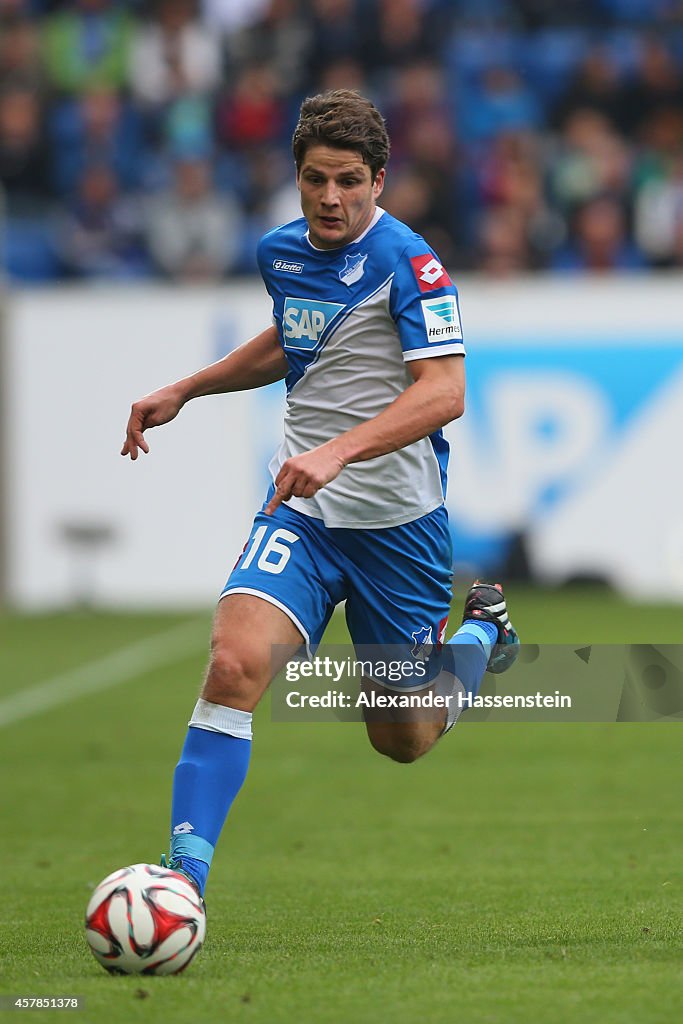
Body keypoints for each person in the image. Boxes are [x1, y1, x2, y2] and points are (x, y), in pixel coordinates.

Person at [121, 90, 520, 899]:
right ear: (295, 178)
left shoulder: (412, 263)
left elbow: (444, 392)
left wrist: (339, 450)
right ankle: (182, 883)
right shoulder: (280, 252)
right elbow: (292, 337)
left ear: (379, 179)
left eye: (347, 181)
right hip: (303, 515)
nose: (330, 198)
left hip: (396, 529)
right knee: (233, 664)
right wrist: (188, 389)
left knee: (401, 738)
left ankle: (481, 637)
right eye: (313, 180)